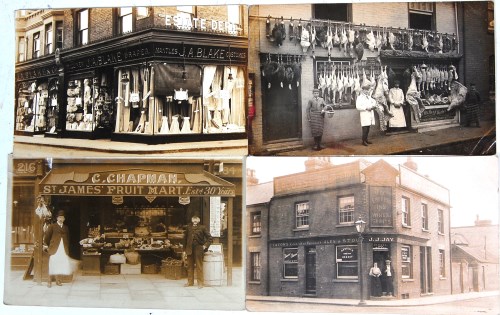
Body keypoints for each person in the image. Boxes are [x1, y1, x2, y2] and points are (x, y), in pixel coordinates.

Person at [43, 210, 72, 288]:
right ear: (57, 218)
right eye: (59, 217)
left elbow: (68, 238)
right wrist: (47, 246)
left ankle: (58, 280)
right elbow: (47, 238)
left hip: (63, 249)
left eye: (62, 217)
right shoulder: (52, 226)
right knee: (52, 264)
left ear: (64, 219)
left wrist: (66, 247)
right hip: (54, 249)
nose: (61, 219)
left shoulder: (66, 228)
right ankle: (49, 281)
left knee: (59, 264)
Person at [183, 215, 213, 288]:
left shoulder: (202, 227)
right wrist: (184, 250)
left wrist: (205, 246)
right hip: (189, 249)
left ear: (199, 220)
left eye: (196, 219)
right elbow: (184, 239)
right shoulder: (188, 227)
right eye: (194, 219)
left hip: (198, 249)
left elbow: (210, 238)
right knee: (190, 266)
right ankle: (190, 282)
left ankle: (200, 283)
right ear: (192, 220)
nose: (195, 220)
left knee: (199, 266)